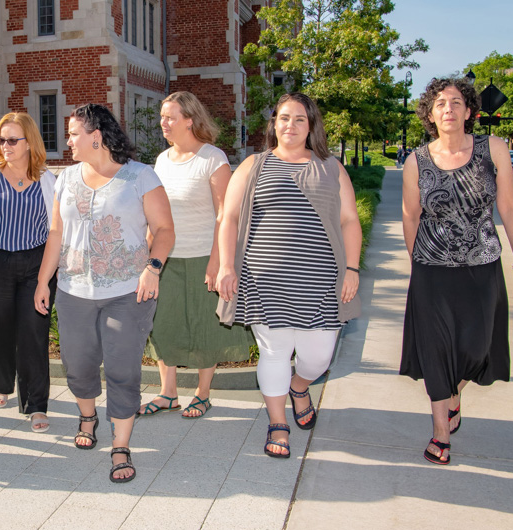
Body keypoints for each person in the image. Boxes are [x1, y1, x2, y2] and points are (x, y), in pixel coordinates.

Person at [400, 78, 513, 465]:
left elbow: (509, 207)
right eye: (441, 103)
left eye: (457, 102)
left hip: (482, 267)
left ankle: (455, 392)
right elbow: (411, 215)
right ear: (430, 114)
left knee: (477, 349)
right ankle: (440, 432)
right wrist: (417, 263)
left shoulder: (492, 149)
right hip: (432, 269)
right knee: (436, 352)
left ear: (469, 111)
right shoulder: (417, 161)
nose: (449, 108)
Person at [216, 93, 362, 460]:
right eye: (283, 118)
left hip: (320, 281)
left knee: (318, 357)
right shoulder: (254, 165)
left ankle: (300, 387)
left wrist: (353, 269)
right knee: (274, 352)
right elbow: (229, 217)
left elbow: (349, 220)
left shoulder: (331, 167)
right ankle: (277, 422)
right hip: (264, 279)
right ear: (274, 124)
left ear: (311, 125)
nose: (290, 125)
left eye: (299, 119)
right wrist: (226, 266)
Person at [34, 104, 175, 483]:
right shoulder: (65, 179)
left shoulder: (140, 177)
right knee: (78, 366)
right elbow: (56, 234)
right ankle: (87, 415)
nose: (68, 141)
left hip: (129, 291)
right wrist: (43, 280)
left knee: (121, 368)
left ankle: (120, 445)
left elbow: (164, 230)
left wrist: (153, 268)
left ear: (95, 136)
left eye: (73, 133)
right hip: (73, 290)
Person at [139, 91, 253, 420]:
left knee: (205, 325)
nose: (163, 122)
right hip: (168, 260)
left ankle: (203, 394)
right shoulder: (161, 161)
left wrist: (219, 261)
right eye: (162, 116)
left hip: (205, 256)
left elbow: (225, 215)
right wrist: (146, 256)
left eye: (170, 116)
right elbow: (156, 216)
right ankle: (168, 393)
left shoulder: (212, 158)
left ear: (189, 120)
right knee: (164, 323)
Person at [0, 112, 58, 431]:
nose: (4, 145)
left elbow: (57, 230)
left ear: (29, 142)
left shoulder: (49, 181)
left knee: (34, 332)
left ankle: (36, 403)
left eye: (12, 140)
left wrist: (48, 275)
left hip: (37, 264)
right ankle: (1, 384)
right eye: (1, 139)